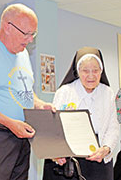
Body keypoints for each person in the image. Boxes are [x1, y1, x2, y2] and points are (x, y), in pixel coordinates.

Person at [0, 3, 55, 180]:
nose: (30, 40)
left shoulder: (22, 54)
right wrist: (9, 123)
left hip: (21, 136)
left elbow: (25, 92)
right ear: (8, 26)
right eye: (26, 33)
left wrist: (40, 105)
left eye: (33, 34)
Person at [42, 46, 120, 180]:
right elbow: (54, 126)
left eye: (95, 70)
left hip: (98, 155)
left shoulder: (107, 92)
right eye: (85, 70)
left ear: (101, 71)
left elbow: (113, 127)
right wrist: (56, 152)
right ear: (78, 71)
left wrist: (106, 148)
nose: (91, 75)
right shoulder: (65, 92)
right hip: (68, 156)